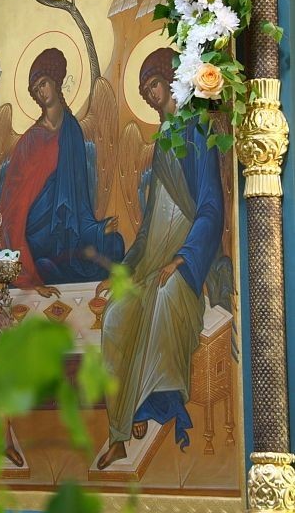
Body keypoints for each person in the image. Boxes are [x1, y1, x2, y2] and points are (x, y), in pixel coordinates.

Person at [97, 47, 224, 468]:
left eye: (154, 84)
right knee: (116, 315)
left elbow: (211, 207)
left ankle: (151, 405)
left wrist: (184, 260)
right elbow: (150, 225)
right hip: (154, 263)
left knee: (164, 302)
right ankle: (119, 430)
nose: (151, 94)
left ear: (171, 81)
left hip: (187, 264)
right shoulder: (163, 144)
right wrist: (123, 271)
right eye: (144, 89)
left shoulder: (196, 130)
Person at [0, 47, 124, 293]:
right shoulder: (30, 141)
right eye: (36, 89)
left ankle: (56, 267)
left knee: (114, 244)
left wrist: (97, 230)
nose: (41, 92)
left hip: (68, 232)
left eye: (43, 83)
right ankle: (45, 267)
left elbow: (80, 199)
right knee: (45, 263)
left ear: (55, 81)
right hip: (36, 236)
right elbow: (13, 205)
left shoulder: (72, 130)